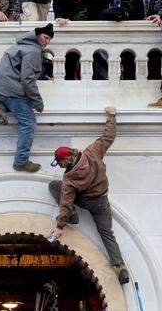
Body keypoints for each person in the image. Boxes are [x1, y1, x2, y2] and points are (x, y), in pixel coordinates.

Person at [48, 106, 129, 284]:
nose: (60, 166)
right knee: (106, 233)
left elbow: (66, 202)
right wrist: (111, 116)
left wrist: (60, 226)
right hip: (101, 201)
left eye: (60, 163)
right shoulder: (92, 152)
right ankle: (120, 267)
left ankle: (73, 216)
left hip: (85, 201)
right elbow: (108, 137)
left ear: (66, 159)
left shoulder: (69, 179)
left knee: (54, 186)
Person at [0, 23, 54, 173]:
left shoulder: (21, 45)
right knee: (29, 123)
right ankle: (21, 161)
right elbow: (28, 80)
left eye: (49, 39)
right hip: (10, 89)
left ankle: (1, 105)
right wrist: (38, 103)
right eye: (45, 37)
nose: (47, 41)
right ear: (37, 36)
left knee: (22, 104)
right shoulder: (32, 51)